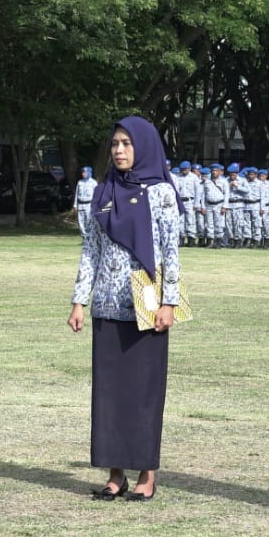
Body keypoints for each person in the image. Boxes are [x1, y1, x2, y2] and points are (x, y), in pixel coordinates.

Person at [67, 116, 182, 502]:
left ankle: (146, 472)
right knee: (110, 394)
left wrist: (170, 301)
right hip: (107, 305)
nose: (118, 151)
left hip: (147, 305)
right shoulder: (102, 192)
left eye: (127, 144)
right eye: (114, 144)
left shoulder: (162, 193)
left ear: (144, 147)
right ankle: (115, 472)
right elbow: (90, 251)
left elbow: (170, 251)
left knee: (145, 392)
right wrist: (80, 299)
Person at [74, 165, 96, 238]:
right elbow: (76, 194)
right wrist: (75, 205)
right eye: (82, 172)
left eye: (85, 172)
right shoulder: (80, 182)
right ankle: (84, 237)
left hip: (89, 205)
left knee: (89, 222)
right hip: (80, 205)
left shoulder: (93, 183)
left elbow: (96, 195)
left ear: (89, 173)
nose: (83, 174)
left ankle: (89, 237)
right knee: (80, 222)